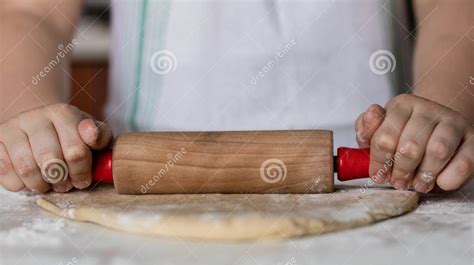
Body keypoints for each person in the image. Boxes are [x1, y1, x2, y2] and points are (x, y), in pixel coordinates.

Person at [0, 0, 472, 194]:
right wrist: (33, 123)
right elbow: (30, 10)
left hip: (383, 172)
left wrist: (438, 118)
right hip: (146, 177)